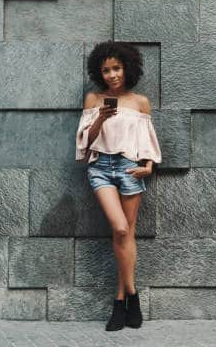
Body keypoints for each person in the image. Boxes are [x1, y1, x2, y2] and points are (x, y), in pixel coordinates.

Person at [75, 41, 162, 331]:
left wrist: (149, 165)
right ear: (99, 73)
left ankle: (120, 302)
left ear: (127, 68)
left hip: (129, 169)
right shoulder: (93, 99)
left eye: (117, 68)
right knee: (121, 228)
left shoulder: (139, 102)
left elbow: (147, 138)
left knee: (126, 233)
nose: (112, 75)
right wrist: (99, 118)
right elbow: (85, 142)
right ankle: (133, 295)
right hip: (100, 168)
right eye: (106, 70)